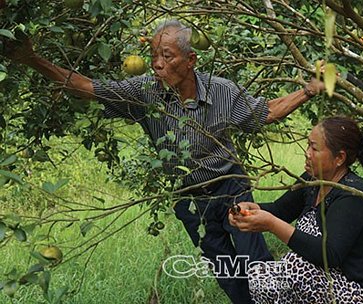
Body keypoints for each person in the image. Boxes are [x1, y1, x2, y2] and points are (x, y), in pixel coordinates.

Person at [2, 19, 324, 303]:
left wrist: (308, 91)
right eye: (154, 55)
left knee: (256, 264)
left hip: (230, 187)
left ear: (190, 60)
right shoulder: (145, 93)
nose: (157, 64)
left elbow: (265, 112)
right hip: (189, 199)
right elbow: (87, 87)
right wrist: (32, 60)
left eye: (166, 56)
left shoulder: (221, 92)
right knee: (227, 273)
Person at [229, 116, 363, 304]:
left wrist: (271, 224)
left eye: (315, 148)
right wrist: (252, 210)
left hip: (356, 293)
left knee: (297, 270)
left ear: (339, 158)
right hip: (323, 282)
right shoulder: (312, 180)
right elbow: (280, 210)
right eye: (307, 145)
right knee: (261, 277)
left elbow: (329, 255)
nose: (307, 153)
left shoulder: (352, 195)